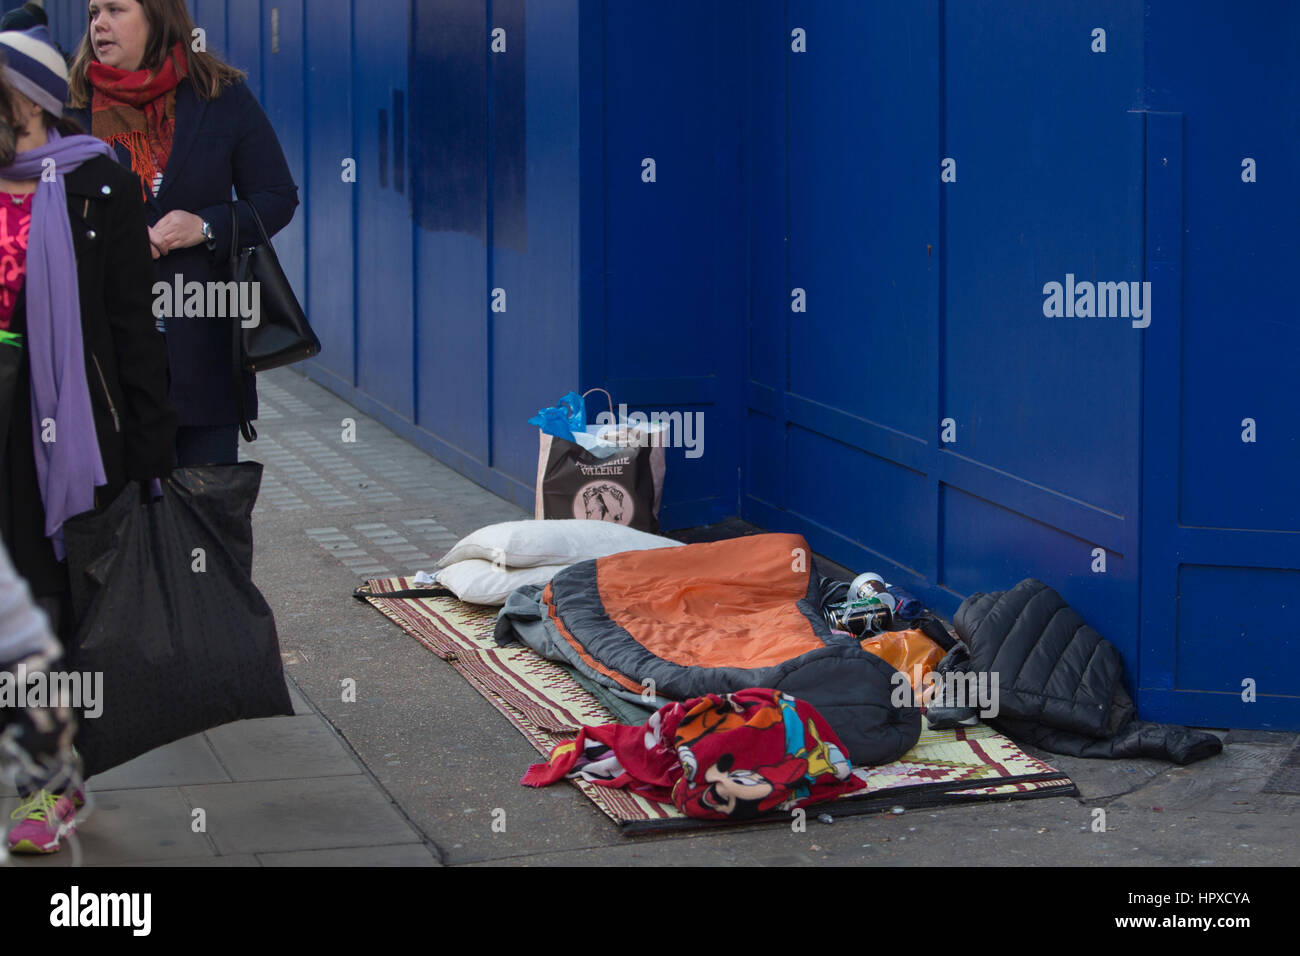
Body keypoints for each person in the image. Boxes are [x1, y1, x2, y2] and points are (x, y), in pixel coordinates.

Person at [0, 23, 176, 854]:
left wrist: (150, 454)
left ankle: (47, 787)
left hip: (59, 433)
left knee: (50, 605)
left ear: (27, 102)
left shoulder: (97, 186)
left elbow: (131, 329)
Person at [68, 0, 299, 466]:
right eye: (94, 12)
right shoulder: (70, 108)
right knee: (120, 527)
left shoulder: (220, 95)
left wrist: (206, 226)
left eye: (116, 10)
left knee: (203, 518)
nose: (100, 24)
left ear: (157, 16)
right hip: (104, 368)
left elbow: (277, 196)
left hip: (203, 360)